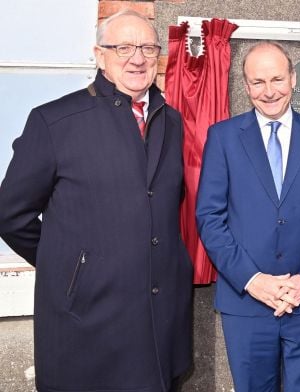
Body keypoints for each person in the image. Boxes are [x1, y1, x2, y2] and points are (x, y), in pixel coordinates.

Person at [0, 10, 193, 392]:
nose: (136, 58)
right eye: (122, 47)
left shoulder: (171, 121)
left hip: (160, 322)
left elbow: (167, 205)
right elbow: (10, 215)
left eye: (146, 48)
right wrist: (73, 268)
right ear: (99, 54)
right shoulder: (54, 121)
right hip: (89, 327)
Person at [195, 41, 300, 392]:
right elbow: (210, 218)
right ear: (246, 86)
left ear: (293, 79)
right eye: (258, 82)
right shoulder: (222, 138)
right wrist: (254, 280)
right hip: (246, 301)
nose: (269, 91)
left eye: (277, 79)